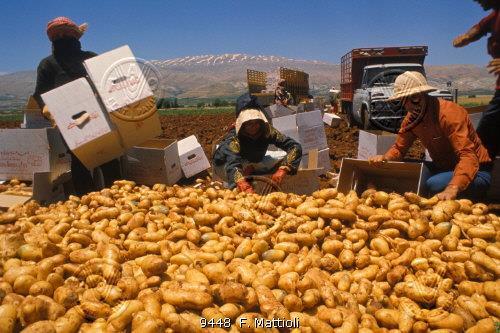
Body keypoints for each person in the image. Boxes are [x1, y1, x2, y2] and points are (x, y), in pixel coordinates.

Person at [368, 71, 492, 200]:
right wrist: (385, 158)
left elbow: (468, 156)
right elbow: (399, 148)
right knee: (407, 171)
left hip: (476, 171)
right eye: (404, 100)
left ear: (424, 95)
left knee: (434, 184)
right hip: (443, 168)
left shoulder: (450, 114)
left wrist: (453, 188)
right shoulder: (411, 120)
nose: (409, 105)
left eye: (414, 98)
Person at [33, 17, 121, 195]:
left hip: (98, 117)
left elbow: (108, 84)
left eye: (66, 33)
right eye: (57, 35)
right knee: (78, 160)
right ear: (51, 39)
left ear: (76, 36)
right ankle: (86, 201)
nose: (62, 37)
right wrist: (47, 109)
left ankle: (118, 195)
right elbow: (40, 94)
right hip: (71, 123)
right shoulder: (47, 64)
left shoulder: (91, 58)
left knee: (109, 157)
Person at [213, 94, 302, 193]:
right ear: (242, 124)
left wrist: (283, 169)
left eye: (256, 123)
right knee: (236, 174)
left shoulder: (267, 131)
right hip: (226, 165)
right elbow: (233, 163)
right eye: (248, 124)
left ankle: (251, 169)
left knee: (284, 158)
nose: (253, 127)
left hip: (254, 160)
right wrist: (242, 182)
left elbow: (294, 146)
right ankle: (235, 182)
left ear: (261, 122)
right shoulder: (234, 138)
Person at [453, 0, 500, 159]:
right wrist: (467, 37)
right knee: (487, 134)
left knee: (486, 133)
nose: (477, 1)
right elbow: (479, 29)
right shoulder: (495, 16)